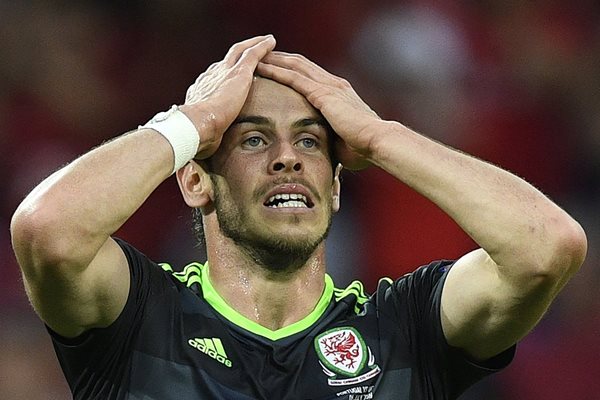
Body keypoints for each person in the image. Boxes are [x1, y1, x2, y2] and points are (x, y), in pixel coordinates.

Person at [10, 35, 587, 400]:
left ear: (334, 189)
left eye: (310, 143)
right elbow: (48, 231)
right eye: (254, 139)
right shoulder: (140, 318)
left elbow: (546, 249)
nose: (288, 157)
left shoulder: (402, 333)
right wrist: (196, 120)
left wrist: (379, 136)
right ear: (193, 179)